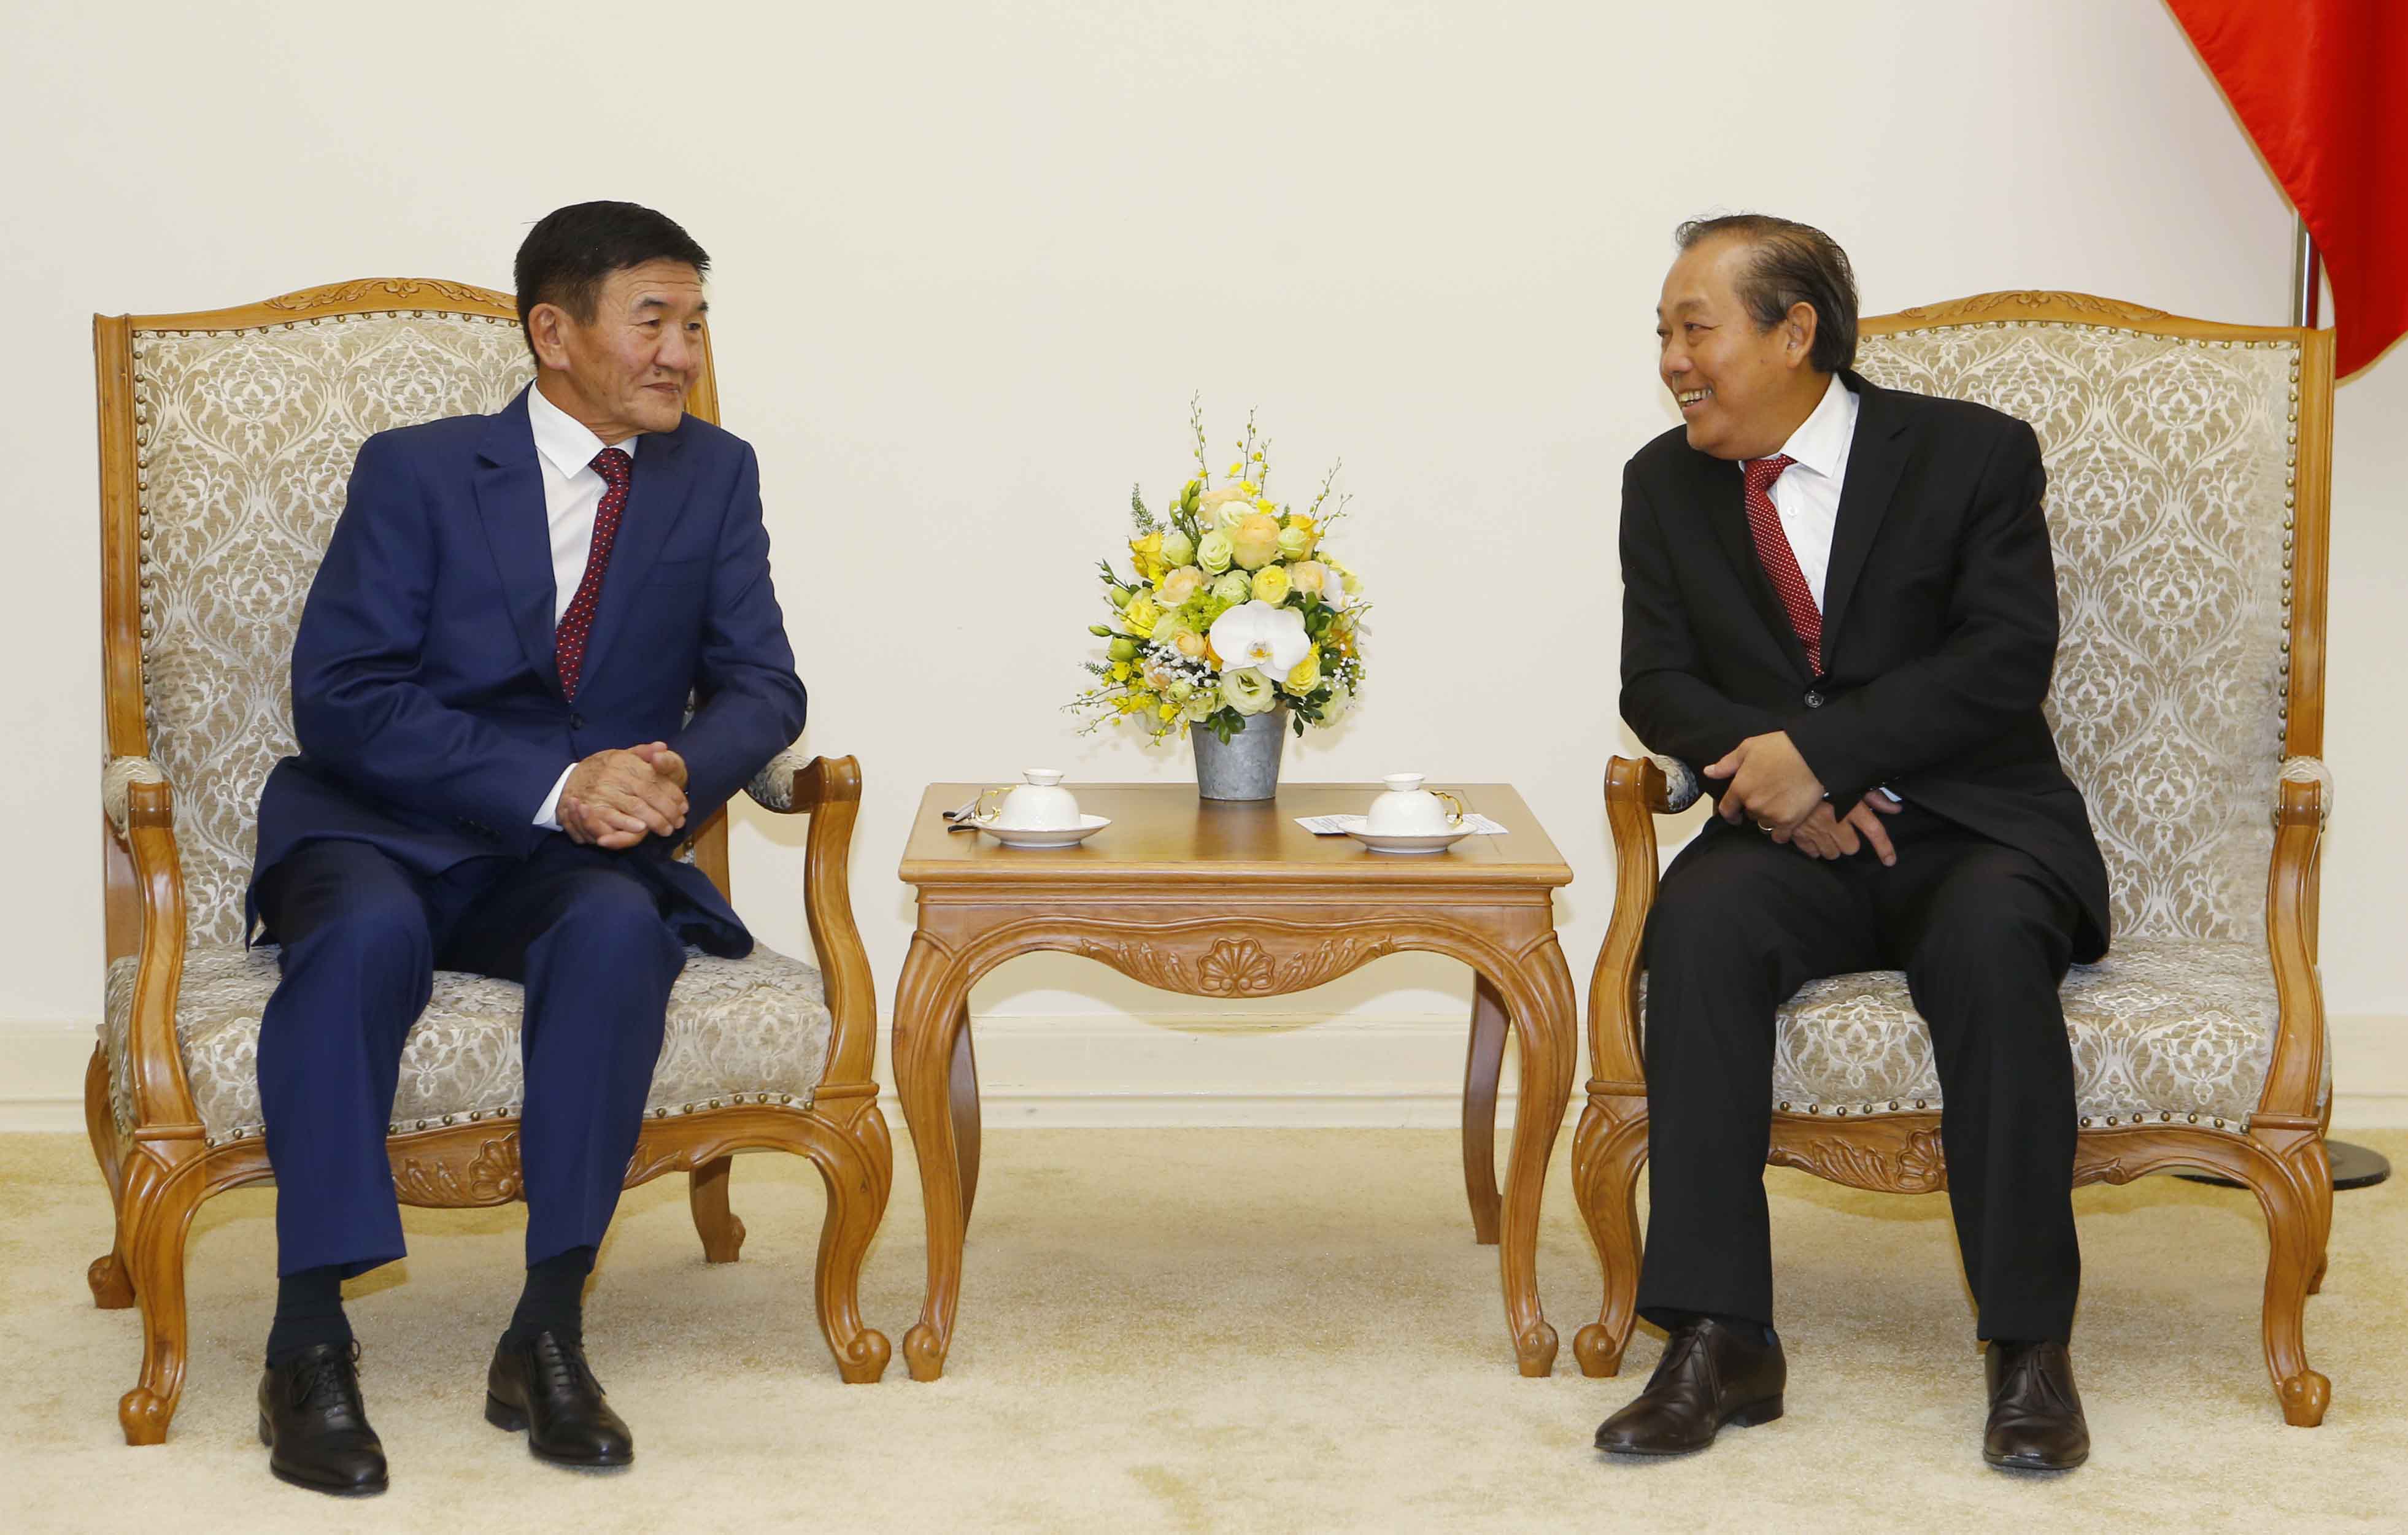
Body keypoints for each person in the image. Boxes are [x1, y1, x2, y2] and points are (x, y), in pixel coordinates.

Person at [244, 201, 806, 1494]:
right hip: (381, 827)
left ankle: (546, 1331)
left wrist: (670, 774)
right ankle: (306, 1340)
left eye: (696, 324)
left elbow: (764, 686)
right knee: (362, 938)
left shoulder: (714, 474)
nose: (682, 353)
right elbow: (343, 695)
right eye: (654, 322)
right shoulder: (419, 470)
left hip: (566, 863)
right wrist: (557, 786)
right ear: (554, 333)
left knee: (617, 931)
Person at [1597, 214, 2110, 1471]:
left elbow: (2003, 660)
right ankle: (1720, 1336)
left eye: (1695, 329)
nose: (1672, 361)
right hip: (1785, 843)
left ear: (1796, 331)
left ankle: (2029, 1348)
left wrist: (1826, 755)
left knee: (1992, 943)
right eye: (1662, 334)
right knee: (1699, 925)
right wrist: (1782, 780)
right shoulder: (1662, 484)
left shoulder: (1972, 455)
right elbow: (1655, 681)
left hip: (1972, 826)